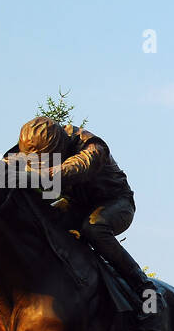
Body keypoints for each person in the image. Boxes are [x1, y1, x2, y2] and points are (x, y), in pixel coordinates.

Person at [10, 116, 152, 312]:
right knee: (42, 222)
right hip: (75, 206)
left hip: (115, 203)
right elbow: (6, 165)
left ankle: (143, 285)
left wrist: (38, 175)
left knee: (94, 228)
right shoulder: (31, 148)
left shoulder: (89, 145)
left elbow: (80, 166)